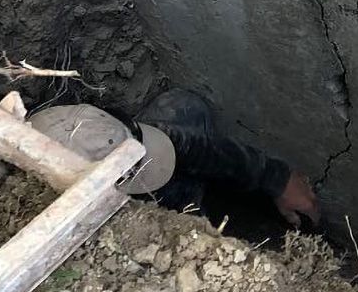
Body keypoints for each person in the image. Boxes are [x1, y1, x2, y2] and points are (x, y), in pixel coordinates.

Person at [28, 91, 320, 226]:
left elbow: (189, 147)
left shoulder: (64, 128)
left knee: (183, 108)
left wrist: (275, 178)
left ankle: (198, 196)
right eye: (132, 168)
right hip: (142, 219)